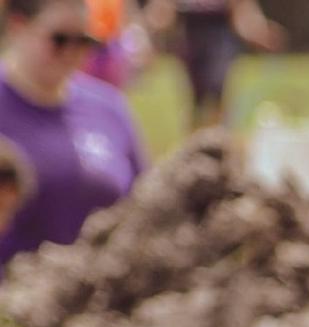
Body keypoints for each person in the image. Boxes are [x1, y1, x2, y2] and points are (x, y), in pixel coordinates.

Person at [0, 0, 143, 280]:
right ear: (18, 27)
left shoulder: (109, 108)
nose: (72, 52)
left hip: (97, 298)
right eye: (60, 39)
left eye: (84, 41)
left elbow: (143, 201)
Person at [147, 0, 279, 131]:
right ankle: (197, 139)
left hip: (220, 32)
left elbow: (241, 7)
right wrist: (151, 30)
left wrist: (257, 31)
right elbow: (164, 7)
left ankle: (218, 138)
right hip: (190, 32)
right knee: (195, 97)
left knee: (217, 88)